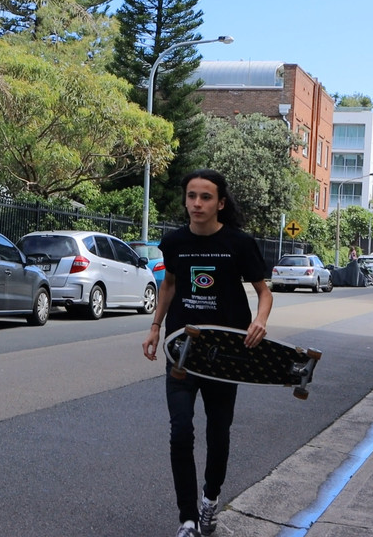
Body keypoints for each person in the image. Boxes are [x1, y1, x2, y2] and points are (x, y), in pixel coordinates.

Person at [142, 169, 272, 537]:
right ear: (185, 200)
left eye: (206, 197)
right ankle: (187, 517)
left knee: (219, 432)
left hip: (226, 353)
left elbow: (264, 292)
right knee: (181, 431)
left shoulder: (239, 243)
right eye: (192, 196)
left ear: (220, 203)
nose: (197, 203)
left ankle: (210, 499)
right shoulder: (174, 241)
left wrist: (259, 321)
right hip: (182, 349)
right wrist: (155, 327)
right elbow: (169, 283)